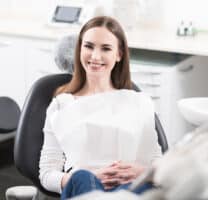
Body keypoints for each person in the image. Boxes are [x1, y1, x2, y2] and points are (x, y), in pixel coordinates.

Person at [39, 16, 162, 200]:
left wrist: (141, 171)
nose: (95, 56)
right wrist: (81, 178)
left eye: (105, 48)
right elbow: (47, 173)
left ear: (119, 54)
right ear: (79, 49)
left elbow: (157, 162)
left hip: (129, 189)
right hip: (83, 187)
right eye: (88, 46)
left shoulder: (140, 102)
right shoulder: (61, 105)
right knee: (82, 177)